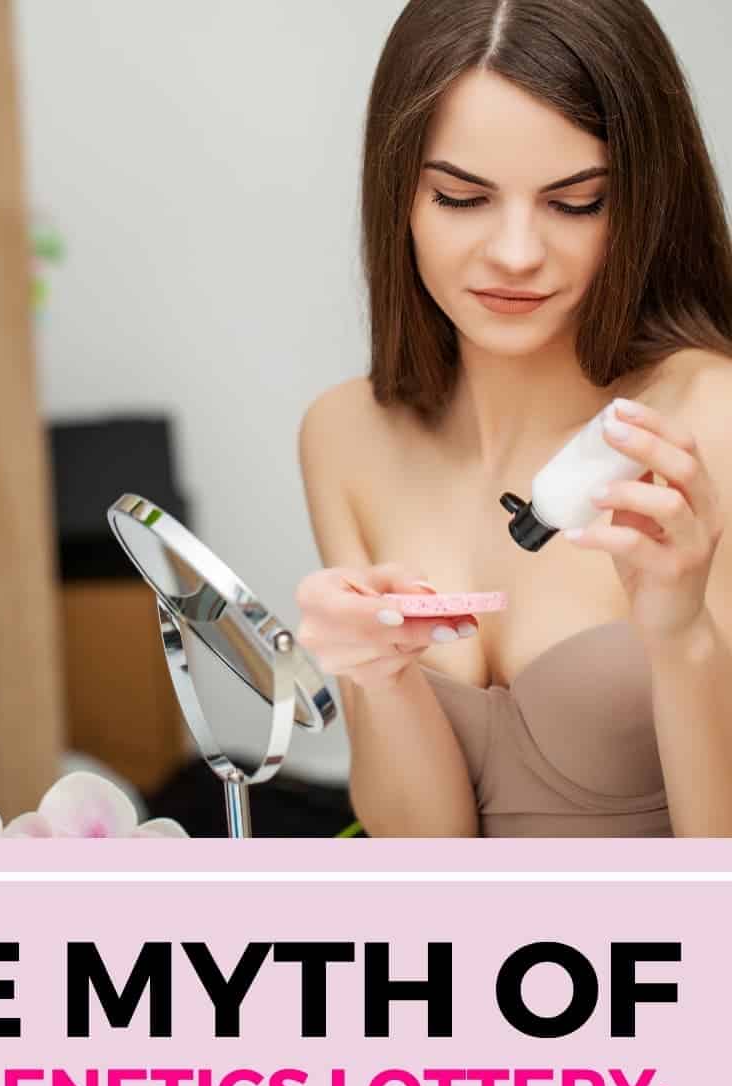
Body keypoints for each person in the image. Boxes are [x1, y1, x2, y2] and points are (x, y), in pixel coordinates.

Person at [296, 0, 732, 837]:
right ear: (402, 198)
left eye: (577, 204)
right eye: (462, 197)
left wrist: (682, 638)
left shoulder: (703, 425)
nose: (518, 253)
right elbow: (427, 852)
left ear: (642, 204)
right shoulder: (344, 435)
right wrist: (376, 678)